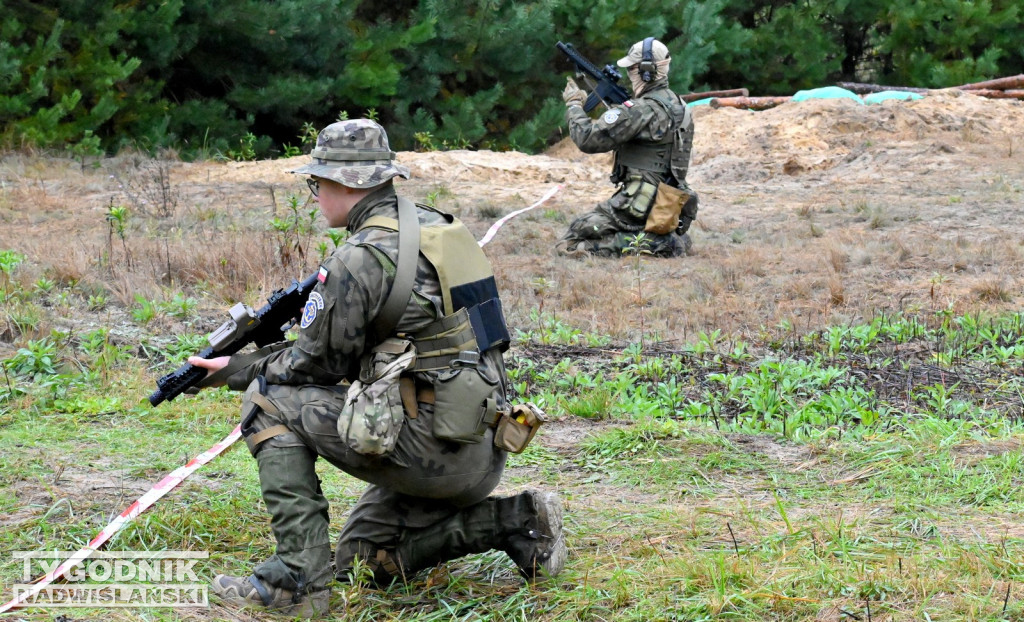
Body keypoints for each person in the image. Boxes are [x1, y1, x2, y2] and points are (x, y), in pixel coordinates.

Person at [188, 119, 566, 618]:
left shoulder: (361, 258)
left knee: (265, 399)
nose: (315, 194)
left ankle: (293, 584)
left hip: (433, 452)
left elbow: (314, 366)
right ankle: (516, 521)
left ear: (348, 184)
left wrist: (236, 368)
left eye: (316, 183)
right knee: (364, 560)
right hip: (484, 447)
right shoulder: (441, 228)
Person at [557, 37, 698, 258]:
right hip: (666, 200)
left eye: (632, 68)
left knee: (575, 238)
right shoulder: (679, 105)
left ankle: (662, 244)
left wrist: (574, 106)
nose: (629, 74)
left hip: (637, 203)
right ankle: (665, 238)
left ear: (646, 72)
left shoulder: (640, 109)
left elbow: (588, 140)